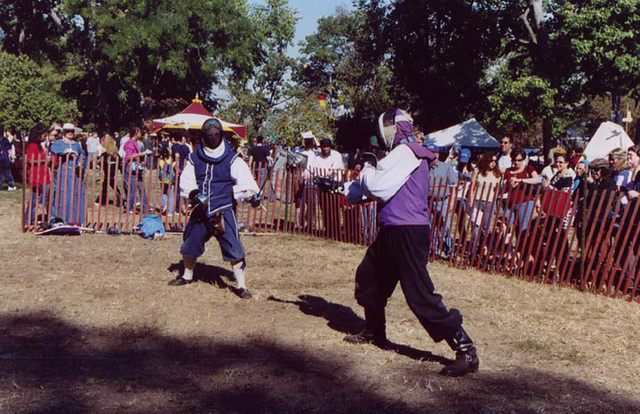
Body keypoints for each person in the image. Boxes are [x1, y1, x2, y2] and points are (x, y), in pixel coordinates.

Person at [341, 108, 479, 377]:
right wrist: (343, 189)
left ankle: (466, 350)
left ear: (392, 129)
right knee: (370, 277)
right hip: (393, 229)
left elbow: (378, 186)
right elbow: (375, 190)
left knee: (419, 294)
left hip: (408, 231)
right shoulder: (400, 154)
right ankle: (374, 332)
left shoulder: (406, 152)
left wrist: (367, 167)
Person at [168, 118, 261, 299]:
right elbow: (187, 181)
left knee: (233, 247)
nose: (212, 136)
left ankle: (241, 285)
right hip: (200, 210)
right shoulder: (194, 158)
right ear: (203, 136)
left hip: (224, 209)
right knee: (191, 243)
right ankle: (187, 275)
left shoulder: (233, 158)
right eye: (209, 134)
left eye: (215, 133)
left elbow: (247, 184)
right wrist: (195, 194)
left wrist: (252, 196)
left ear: (221, 135)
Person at [50, 123, 86, 225]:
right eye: (68, 131)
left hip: (75, 174)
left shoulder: (76, 144)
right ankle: (61, 219)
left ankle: (76, 220)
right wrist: (67, 151)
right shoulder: (59, 143)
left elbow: (82, 154)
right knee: (63, 195)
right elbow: (54, 149)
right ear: (64, 132)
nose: (70, 133)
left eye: (72, 131)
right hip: (63, 173)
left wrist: (80, 162)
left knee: (76, 194)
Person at [468, 152, 502, 254]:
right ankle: (472, 251)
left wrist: (493, 202)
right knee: (475, 228)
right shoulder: (477, 171)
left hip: (489, 203)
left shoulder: (497, 174)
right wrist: (471, 201)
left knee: (485, 228)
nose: (493, 163)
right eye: (491, 161)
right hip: (477, 201)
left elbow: (496, 191)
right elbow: (472, 186)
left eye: (495, 161)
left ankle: (482, 250)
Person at [429, 147, 458, 259]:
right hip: (429, 201)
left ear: (438, 154)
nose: (433, 156)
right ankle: (434, 250)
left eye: (435, 153)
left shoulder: (446, 167)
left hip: (443, 200)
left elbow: (453, 186)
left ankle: (450, 251)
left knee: (445, 225)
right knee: (432, 226)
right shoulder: (425, 167)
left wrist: (451, 202)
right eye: (431, 153)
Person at [503, 146, 540, 233]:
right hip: (510, 203)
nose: (517, 162)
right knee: (504, 224)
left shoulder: (528, 168)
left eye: (519, 160)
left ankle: (521, 245)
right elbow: (504, 189)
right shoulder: (508, 171)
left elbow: (537, 179)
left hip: (525, 202)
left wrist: (521, 180)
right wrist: (509, 184)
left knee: (522, 228)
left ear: (523, 159)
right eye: (514, 160)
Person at [315, 138, 346, 237]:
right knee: (325, 208)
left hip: (334, 185)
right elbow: (315, 169)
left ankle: (336, 231)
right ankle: (328, 231)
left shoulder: (336, 155)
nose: (325, 149)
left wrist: (331, 170)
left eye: (327, 146)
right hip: (322, 185)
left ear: (330, 147)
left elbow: (337, 166)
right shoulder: (318, 158)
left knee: (335, 209)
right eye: (324, 147)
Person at [24, 123, 52, 223]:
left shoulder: (39, 146)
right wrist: (44, 161)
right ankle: (51, 217)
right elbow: (30, 160)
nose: (45, 136)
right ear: (38, 134)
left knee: (34, 199)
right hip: (38, 176)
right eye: (44, 134)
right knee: (48, 199)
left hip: (42, 175)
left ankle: (28, 218)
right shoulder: (32, 145)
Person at [123, 126, 151, 213]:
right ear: (135, 133)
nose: (140, 134)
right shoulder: (130, 143)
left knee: (141, 187)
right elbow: (128, 157)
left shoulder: (135, 142)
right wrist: (141, 153)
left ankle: (145, 207)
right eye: (139, 132)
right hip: (131, 167)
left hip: (137, 167)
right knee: (132, 188)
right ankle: (129, 207)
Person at [94, 134, 122, 207]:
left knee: (109, 184)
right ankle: (102, 200)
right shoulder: (115, 154)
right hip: (112, 171)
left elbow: (100, 161)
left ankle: (120, 200)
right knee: (107, 185)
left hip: (108, 171)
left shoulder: (106, 154)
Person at [158, 146, 176, 216]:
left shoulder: (161, 161)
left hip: (163, 179)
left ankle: (165, 204)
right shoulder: (171, 160)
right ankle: (170, 211)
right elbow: (174, 165)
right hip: (170, 178)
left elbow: (160, 168)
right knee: (171, 194)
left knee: (164, 192)